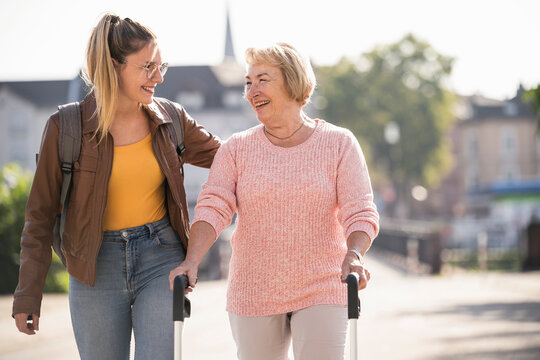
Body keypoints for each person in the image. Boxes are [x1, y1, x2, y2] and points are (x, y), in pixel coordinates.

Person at [12, 13, 221, 360]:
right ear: (114, 66)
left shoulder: (171, 118)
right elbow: (40, 217)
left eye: (161, 65)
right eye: (147, 67)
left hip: (161, 257)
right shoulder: (66, 127)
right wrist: (27, 294)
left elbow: (230, 157)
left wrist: (291, 132)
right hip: (95, 267)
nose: (159, 77)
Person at [169, 42, 379, 359]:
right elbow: (213, 207)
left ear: (292, 82)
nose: (251, 91)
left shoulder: (338, 143)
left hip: (323, 283)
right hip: (253, 289)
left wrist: (354, 253)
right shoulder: (236, 149)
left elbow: (360, 210)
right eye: (248, 83)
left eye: (262, 80)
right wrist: (192, 259)